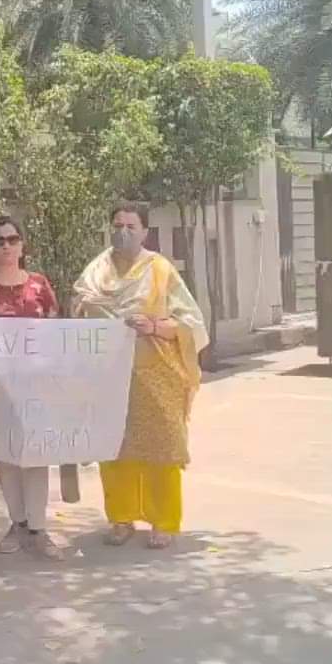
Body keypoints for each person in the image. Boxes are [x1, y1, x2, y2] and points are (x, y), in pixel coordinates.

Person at [73, 202, 209, 550]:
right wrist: (83, 309)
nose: (123, 232)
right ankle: (121, 518)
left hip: (155, 373)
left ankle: (163, 522)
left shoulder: (160, 270)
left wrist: (153, 326)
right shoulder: (95, 272)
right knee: (114, 449)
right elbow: (76, 313)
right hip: (108, 376)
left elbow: (191, 323)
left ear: (145, 231)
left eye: (131, 226)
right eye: (118, 225)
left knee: (162, 448)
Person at [0, 215, 67, 560]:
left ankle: (39, 528)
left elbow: (56, 333)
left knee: (36, 456)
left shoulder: (39, 285)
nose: (7, 246)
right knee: (6, 456)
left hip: (37, 386)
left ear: (22, 245)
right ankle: (17, 524)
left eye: (13, 239)